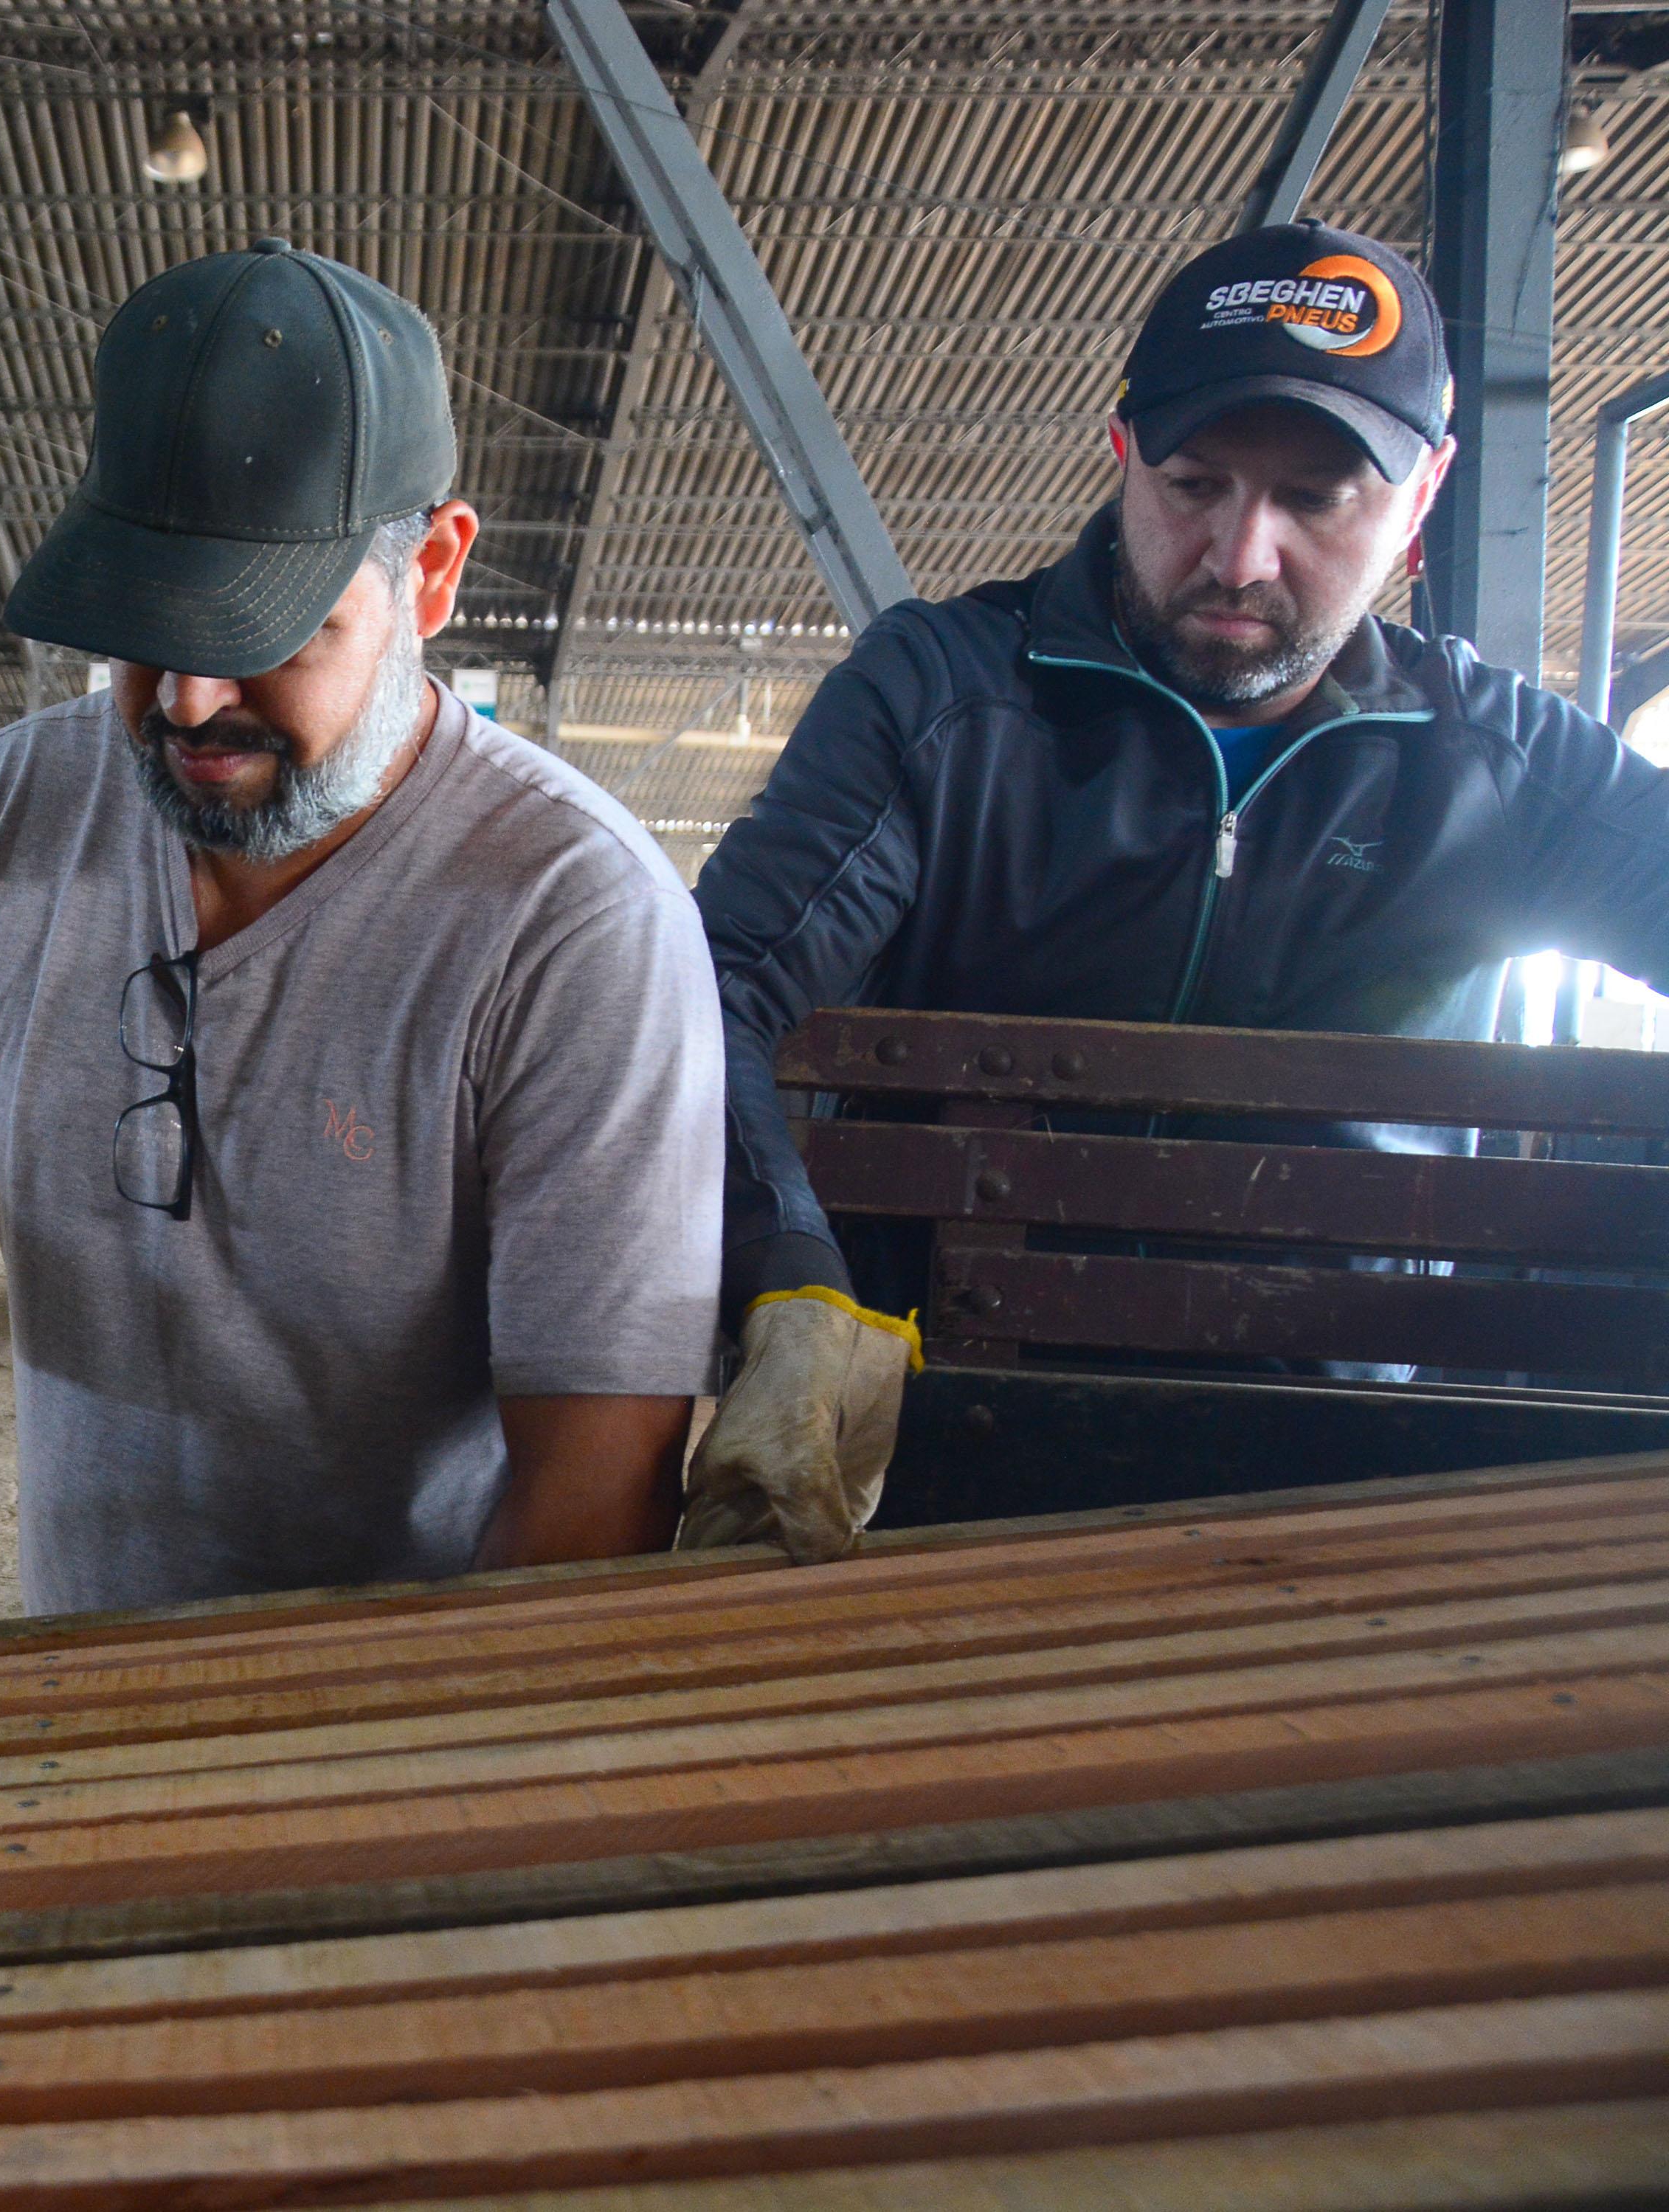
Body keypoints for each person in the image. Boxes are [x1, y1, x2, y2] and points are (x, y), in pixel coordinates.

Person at [0, 240, 725, 1614]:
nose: (188, 703)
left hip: (399, 1701)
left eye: (268, 630)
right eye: (143, 625)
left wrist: (406, 1731)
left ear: (433, 575)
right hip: (77, 1666)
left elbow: (597, 1488)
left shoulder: (575, 921)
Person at [690, 220, 1669, 1563]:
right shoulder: (939, 703)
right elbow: (711, 989)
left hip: (1349, 1485)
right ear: (1122, 451)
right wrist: (789, 1274)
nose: (1240, 555)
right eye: (1195, 483)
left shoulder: (1498, 766)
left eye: (1316, 500)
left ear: (1425, 496)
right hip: (939, 1447)